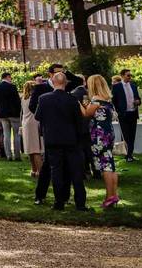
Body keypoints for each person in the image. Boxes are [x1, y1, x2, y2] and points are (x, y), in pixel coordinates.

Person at [34, 72, 87, 211]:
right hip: (71, 139)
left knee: (56, 171)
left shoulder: (44, 98)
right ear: (66, 83)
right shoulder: (72, 99)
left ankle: (59, 202)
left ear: (53, 81)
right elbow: (79, 120)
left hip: (52, 138)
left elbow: (38, 116)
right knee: (76, 172)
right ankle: (80, 203)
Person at [81, 75, 120, 208]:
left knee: (105, 167)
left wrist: (79, 104)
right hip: (108, 132)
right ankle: (114, 195)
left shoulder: (96, 99)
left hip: (99, 135)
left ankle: (109, 196)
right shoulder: (108, 100)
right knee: (110, 164)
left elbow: (86, 114)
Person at [111, 69, 141, 162]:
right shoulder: (116, 87)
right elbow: (113, 100)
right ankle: (128, 154)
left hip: (133, 113)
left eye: (130, 75)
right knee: (126, 135)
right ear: (122, 75)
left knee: (132, 135)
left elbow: (138, 98)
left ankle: (130, 154)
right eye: (128, 75)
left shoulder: (133, 86)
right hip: (123, 114)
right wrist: (117, 111)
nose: (130, 77)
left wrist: (138, 101)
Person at [0, 72, 21, 162]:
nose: (11, 79)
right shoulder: (13, 87)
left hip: (2, 114)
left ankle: (8, 155)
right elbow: (17, 101)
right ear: (8, 77)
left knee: (6, 134)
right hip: (13, 114)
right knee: (16, 134)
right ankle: (17, 155)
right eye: (10, 77)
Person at [21, 81, 44, 177]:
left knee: (30, 149)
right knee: (36, 149)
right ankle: (41, 172)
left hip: (26, 123)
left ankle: (33, 170)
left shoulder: (23, 98)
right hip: (34, 123)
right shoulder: (34, 98)